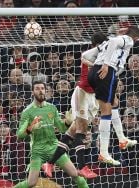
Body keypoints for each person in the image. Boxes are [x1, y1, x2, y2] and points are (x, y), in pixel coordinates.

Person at [41, 32, 108, 179]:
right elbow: (88, 62)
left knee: (71, 134)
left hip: (94, 99)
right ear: (96, 45)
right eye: (102, 45)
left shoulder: (106, 57)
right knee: (81, 130)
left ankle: (50, 163)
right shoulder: (89, 55)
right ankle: (83, 167)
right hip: (82, 93)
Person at [14, 80, 88, 188]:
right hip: (37, 150)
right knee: (31, 183)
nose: (41, 91)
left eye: (43, 89)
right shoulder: (27, 112)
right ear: (32, 92)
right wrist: (31, 128)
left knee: (76, 175)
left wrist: (67, 122)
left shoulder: (52, 108)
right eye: (37, 89)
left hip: (54, 147)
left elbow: (62, 128)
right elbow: (19, 135)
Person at [87, 26, 139, 165]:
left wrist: (97, 65)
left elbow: (85, 56)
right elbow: (113, 43)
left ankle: (122, 138)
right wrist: (105, 65)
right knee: (106, 112)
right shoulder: (127, 40)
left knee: (115, 102)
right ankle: (104, 153)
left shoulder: (109, 41)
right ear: (136, 38)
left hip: (94, 72)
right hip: (106, 71)